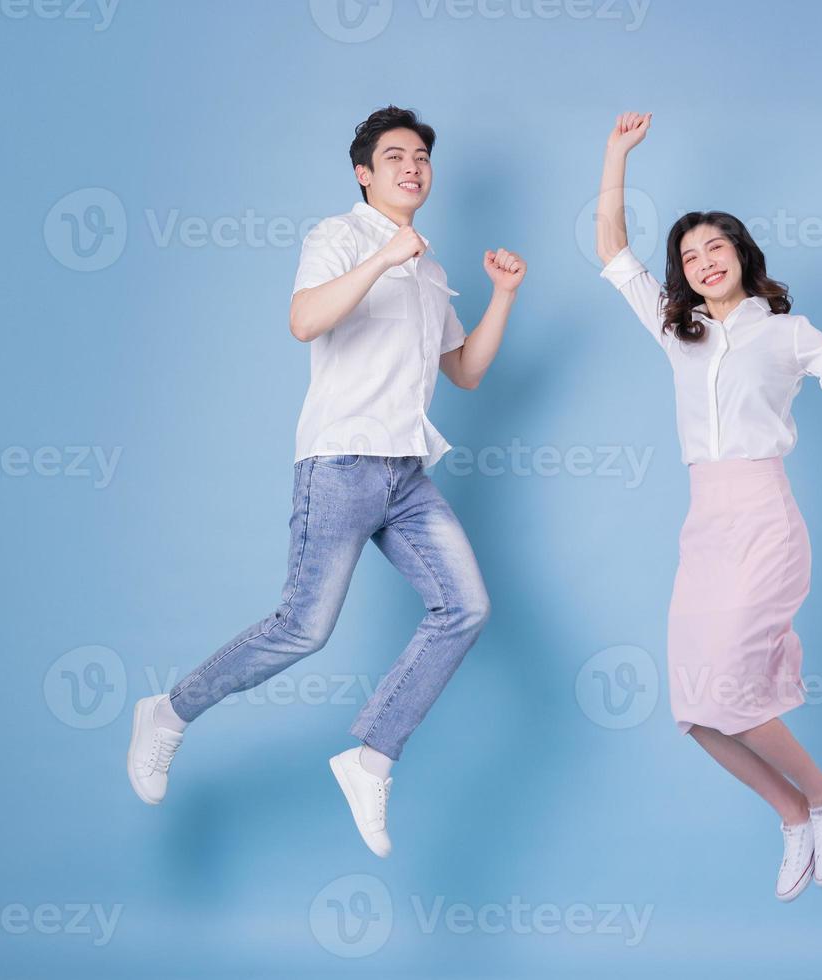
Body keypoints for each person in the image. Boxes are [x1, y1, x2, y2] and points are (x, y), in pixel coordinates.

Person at [127, 105, 527, 860]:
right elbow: (303, 321)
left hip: (405, 472)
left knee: (465, 607)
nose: (412, 166)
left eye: (421, 157)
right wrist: (382, 259)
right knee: (303, 629)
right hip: (341, 462)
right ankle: (169, 712)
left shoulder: (433, 268)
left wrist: (502, 295)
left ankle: (371, 755)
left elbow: (465, 372)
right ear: (364, 173)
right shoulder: (337, 236)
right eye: (395, 156)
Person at [595, 112, 822, 900]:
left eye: (715, 247)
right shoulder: (679, 331)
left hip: (763, 521)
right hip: (702, 525)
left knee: (733, 688)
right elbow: (611, 247)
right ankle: (791, 813)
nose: (703, 262)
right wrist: (616, 153)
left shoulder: (789, 334)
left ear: (741, 254)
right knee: (696, 708)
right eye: (688, 255)